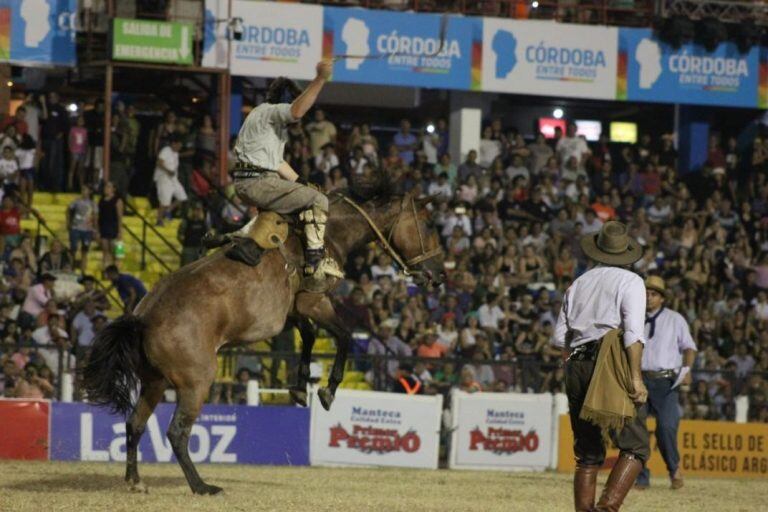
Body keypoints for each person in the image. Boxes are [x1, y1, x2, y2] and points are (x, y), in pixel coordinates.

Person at [553, 221, 650, 512]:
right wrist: (635, 378)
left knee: (587, 453)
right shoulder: (631, 282)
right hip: (608, 362)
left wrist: (573, 367)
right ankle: (607, 508)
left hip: (576, 362)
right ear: (626, 252)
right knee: (636, 445)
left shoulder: (578, 283)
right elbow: (633, 333)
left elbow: (559, 338)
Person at [223, 60, 339, 278]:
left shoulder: (261, 118)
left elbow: (276, 162)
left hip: (252, 180)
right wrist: (321, 78)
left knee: (302, 200)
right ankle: (315, 260)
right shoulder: (271, 112)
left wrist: (301, 182)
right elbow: (297, 111)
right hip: (259, 182)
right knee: (319, 201)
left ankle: (248, 241)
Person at [635, 275, 697, 491]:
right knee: (635, 428)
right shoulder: (633, 319)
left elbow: (689, 347)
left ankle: (674, 469)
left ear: (662, 298)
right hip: (639, 379)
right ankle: (640, 476)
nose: (648, 297)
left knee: (667, 426)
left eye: (653, 294)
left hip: (666, 381)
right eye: (646, 293)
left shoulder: (675, 319)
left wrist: (687, 369)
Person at [154, 134, 187, 226]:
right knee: (164, 201)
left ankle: (168, 210)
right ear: (173, 143)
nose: (180, 147)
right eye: (179, 145)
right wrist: (168, 171)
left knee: (182, 197)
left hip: (173, 179)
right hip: (163, 178)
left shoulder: (176, 154)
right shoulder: (165, 151)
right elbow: (159, 163)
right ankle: (159, 220)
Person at [67, 185, 96, 274]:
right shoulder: (76, 201)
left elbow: (95, 216)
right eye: (82, 189)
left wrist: (95, 229)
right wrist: (69, 222)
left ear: (89, 191)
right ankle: (71, 269)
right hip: (76, 228)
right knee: (73, 249)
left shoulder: (93, 204)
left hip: (87, 230)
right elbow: (68, 210)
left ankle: (83, 271)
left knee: (85, 251)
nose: (83, 191)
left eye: (85, 189)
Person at [97, 182, 123, 268]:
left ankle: (117, 267)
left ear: (113, 189)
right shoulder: (101, 200)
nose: (106, 188)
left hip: (113, 226)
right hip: (104, 226)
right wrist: (98, 229)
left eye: (108, 187)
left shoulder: (118, 200)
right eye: (105, 186)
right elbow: (99, 215)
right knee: (105, 249)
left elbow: (119, 216)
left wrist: (120, 231)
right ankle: (106, 268)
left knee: (117, 249)